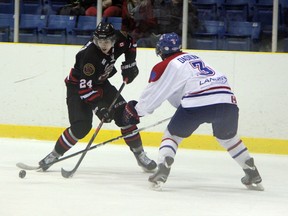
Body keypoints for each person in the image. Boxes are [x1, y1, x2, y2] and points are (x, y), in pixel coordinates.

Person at [122, 32, 264, 191]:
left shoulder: (164, 65)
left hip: (198, 102)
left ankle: (163, 168)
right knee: (228, 138)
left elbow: (155, 93)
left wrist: (136, 111)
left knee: (172, 135)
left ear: (160, 50)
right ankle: (251, 171)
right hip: (227, 101)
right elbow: (180, 90)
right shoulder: (193, 57)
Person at [38, 22, 157, 173]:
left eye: (106, 41)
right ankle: (54, 155)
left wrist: (130, 64)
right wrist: (99, 108)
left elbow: (131, 43)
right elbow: (85, 89)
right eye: (100, 41)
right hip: (77, 88)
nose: (103, 45)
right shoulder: (89, 57)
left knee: (125, 116)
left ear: (113, 39)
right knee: (81, 127)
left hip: (100, 83)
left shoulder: (120, 39)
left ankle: (140, 155)